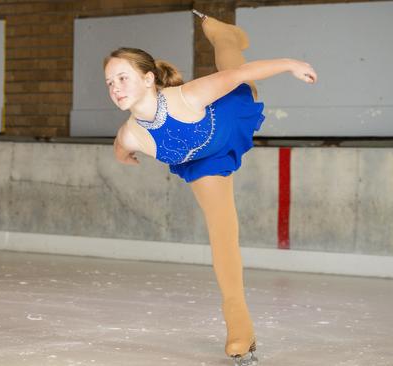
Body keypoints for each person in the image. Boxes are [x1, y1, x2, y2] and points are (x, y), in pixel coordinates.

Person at [103, 9, 317, 366]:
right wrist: (126, 159)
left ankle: (225, 34)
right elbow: (120, 149)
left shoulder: (187, 97)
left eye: (123, 78)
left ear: (148, 78)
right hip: (204, 162)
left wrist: (291, 63)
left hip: (226, 118)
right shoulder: (131, 133)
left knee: (230, 63)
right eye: (109, 83)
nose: (115, 88)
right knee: (222, 233)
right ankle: (240, 327)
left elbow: (241, 73)